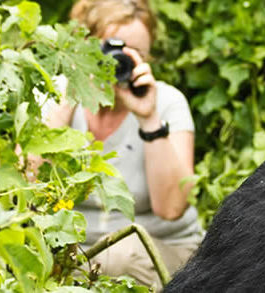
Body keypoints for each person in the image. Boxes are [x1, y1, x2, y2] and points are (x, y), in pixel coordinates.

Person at [45, 0, 203, 290]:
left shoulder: (167, 103)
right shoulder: (55, 94)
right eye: (109, 50)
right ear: (83, 46)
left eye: (133, 54)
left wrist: (148, 118)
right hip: (74, 253)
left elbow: (171, 208)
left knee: (120, 258)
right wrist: (69, 97)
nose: (118, 62)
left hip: (160, 251)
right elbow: (26, 184)